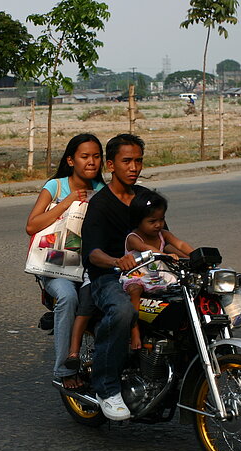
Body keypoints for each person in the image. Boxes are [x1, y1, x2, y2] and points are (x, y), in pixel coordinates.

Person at [26, 133, 105, 390]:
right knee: (68, 298)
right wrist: (68, 202)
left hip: (88, 265)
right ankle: (63, 368)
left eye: (96, 156)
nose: (91, 162)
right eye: (84, 157)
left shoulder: (103, 192)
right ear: (71, 160)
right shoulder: (56, 187)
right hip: (54, 265)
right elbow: (32, 225)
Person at [81, 133, 150, 421]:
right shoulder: (101, 204)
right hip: (107, 278)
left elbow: (161, 235)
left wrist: (184, 253)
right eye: (127, 161)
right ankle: (107, 388)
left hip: (146, 273)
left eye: (138, 161)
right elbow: (92, 253)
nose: (133, 167)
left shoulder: (146, 198)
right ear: (110, 165)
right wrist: (116, 262)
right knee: (122, 310)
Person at [121, 190, 193, 350]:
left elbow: (180, 244)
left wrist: (196, 255)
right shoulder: (133, 238)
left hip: (159, 276)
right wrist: (164, 254)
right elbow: (146, 249)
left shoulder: (163, 234)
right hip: (138, 275)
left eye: (162, 219)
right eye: (152, 221)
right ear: (138, 221)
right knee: (135, 291)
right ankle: (134, 332)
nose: (158, 225)